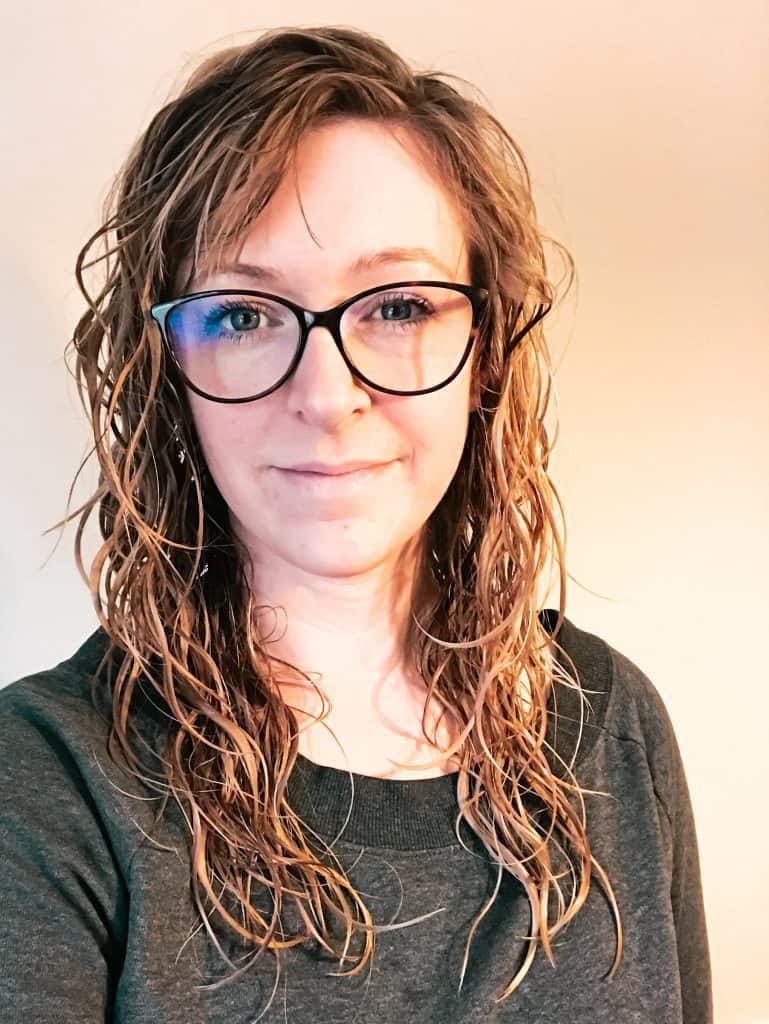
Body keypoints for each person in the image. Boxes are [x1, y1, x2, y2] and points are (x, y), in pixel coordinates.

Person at [0, 24, 712, 1023]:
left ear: (487, 352)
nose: (328, 396)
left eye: (400, 305)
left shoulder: (614, 725)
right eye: (245, 314)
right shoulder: (44, 784)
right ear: (170, 376)